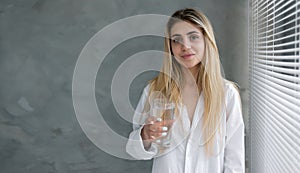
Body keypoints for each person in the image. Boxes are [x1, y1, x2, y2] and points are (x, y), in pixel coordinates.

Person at [126, 8, 245, 173]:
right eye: (176, 40)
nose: (185, 46)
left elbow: (234, 161)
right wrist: (145, 135)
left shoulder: (227, 94)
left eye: (193, 37)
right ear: (170, 47)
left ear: (206, 41)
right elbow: (133, 150)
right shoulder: (155, 90)